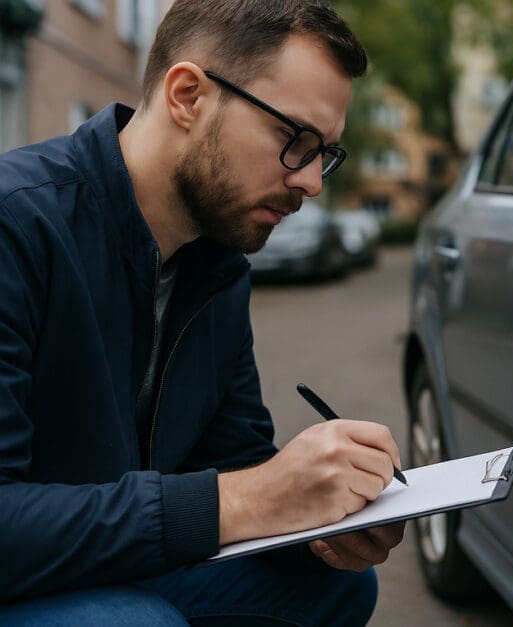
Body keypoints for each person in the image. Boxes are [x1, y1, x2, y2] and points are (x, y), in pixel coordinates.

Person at [0, 1, 405, 624]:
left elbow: (232, 459)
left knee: (333, 588)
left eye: (324, 152)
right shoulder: (16, 225)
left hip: (113, 561)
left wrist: (314, 519)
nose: (312, 184)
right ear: (188, 95)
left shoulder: (217, 267)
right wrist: (246, 500)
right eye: (293, 139)